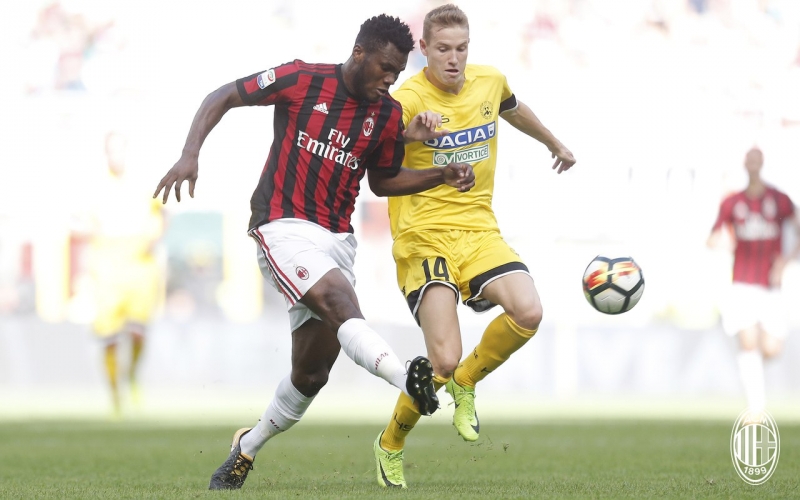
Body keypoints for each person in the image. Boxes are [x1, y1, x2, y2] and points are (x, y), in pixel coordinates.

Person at [152, 14, 475, 491]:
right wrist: (190, 153)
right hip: (281, 226)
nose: (390, 79)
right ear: (360, 53)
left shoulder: (387, 114)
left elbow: (384, 180)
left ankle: (247, 447)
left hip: (337, 241)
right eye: (385, 67)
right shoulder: (302, 79)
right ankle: (407, 377)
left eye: (397, 72)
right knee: (341, 302)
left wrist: (440, 175)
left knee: (311, 375)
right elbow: (222, 95)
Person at [372, 4, 576, 489]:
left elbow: (512, 107)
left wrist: (554, 142)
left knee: (529, 311)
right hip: (423, 236)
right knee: (442, 360)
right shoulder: (406, 99)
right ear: (424, 49)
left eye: (461, 48)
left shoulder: (490, 81)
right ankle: (390, 443)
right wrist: (407, 135)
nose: (453, 59)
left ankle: (467, 381)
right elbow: (377, 163)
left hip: (479, 229)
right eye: (443, 49)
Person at [707, 146, 800, 418]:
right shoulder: (732, 202)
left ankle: (753, 375)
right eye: (750, 160)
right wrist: (722, 243)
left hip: (771, 286)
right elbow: (712, 238)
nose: (754, 164)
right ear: (745, 164)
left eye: (758, 160)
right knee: (748, 343)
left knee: (770, 349)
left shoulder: (779, 199)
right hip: (743, 284)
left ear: (763, 163)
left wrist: (785, 261)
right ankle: (755, 409)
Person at [89, 131, 164, 418]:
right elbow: (81, 222)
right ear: (105, 153)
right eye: (112, 150)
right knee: (108, 337)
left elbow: (164, 213)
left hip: (139, 264)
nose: (116, 156)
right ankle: (115, 396)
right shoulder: (95, 185)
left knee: (137, 332)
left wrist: (153, 240)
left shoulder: (144, 183)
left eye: (120, 150)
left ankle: (131, 374)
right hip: (107, 265)